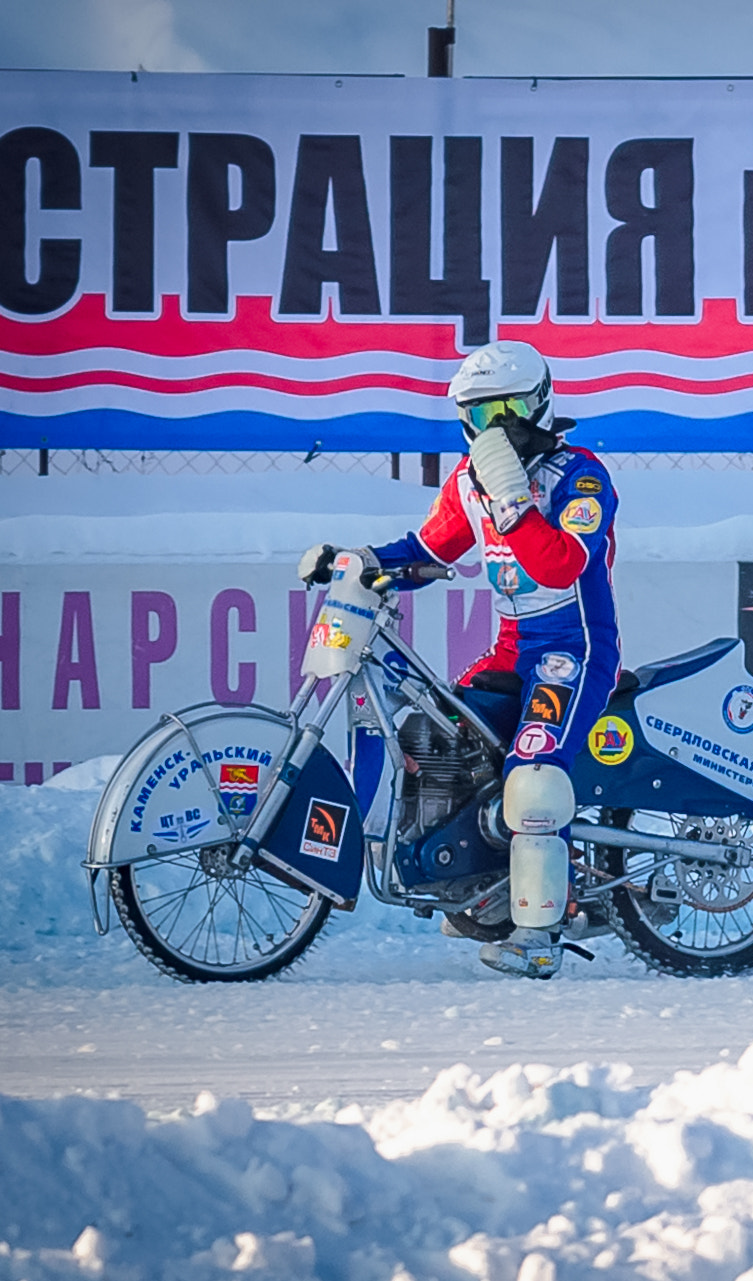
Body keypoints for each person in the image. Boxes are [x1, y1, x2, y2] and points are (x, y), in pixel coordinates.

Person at [298, 340, 620, 978]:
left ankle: (538, 935)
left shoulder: (579, 476)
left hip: (573, 648)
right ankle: (481, 888)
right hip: (510, 647)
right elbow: (428, 549)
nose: (493, 430)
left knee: (530, 774)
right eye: (479, 416)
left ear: (539, 405)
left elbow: (563, 564)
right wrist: (359, 560)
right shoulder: (468, 484)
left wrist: (516, 509)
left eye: (507, 410)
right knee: (439, 735)